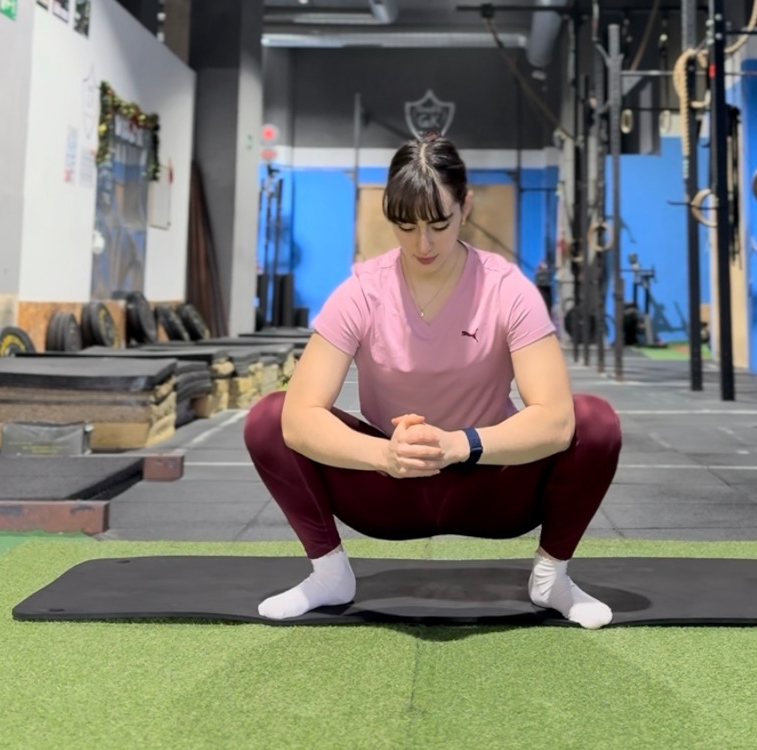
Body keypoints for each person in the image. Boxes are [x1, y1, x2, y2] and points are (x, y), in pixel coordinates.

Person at [244, 136, 622, 629]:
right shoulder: (361, 292)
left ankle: (551, 578)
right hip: (390, 490)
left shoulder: (508, 289)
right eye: (406, 226)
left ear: (466, 207)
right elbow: (298, 418)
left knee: (595, 421)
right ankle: (329, 575)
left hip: (491, 489)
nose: (423, 244)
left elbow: (555, 420)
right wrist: (386, 455)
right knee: (270, 417)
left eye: (439, 225)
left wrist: (458, 445)